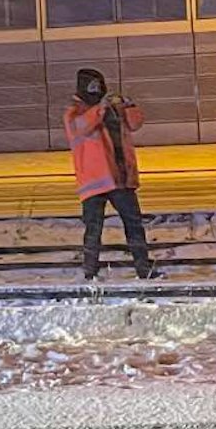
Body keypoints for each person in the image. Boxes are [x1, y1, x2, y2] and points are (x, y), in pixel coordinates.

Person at [65, 68, 155, 281]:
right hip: (94, 181)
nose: (96, 90)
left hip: (121, 178)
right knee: (93, 229)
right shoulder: (74, 112)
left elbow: (135, 124)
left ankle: (144, 268)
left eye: (98, 85)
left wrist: (128, 105)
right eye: (92, 86)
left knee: (134, 224)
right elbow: (81, 128)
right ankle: (90, 271)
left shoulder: (112, 109)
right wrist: (100, 108)